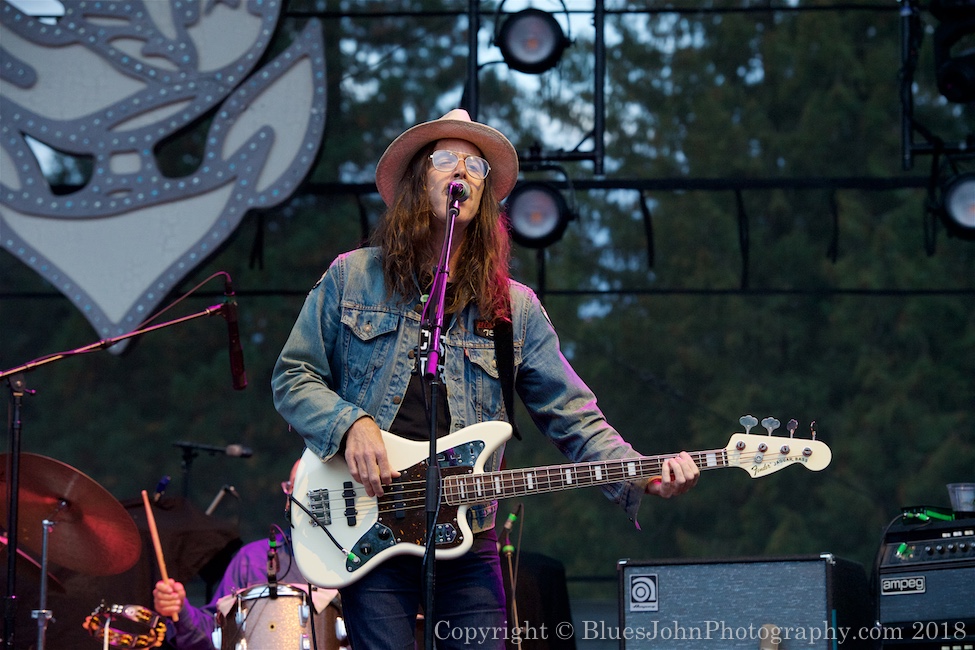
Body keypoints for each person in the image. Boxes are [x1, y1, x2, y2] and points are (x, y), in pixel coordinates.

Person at [270, 108, 700, 649]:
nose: (463, 172)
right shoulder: (352, 278)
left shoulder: (513, 309)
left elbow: (573, 416)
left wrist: (641, 472)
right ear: (416, 179)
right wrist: (350, 424)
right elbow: (293, 375)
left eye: (476, 166)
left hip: (469, 536)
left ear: (487, 194)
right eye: (445, 159)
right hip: (366, 527)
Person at [152, 460, 344, 649]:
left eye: (308, 485)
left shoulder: (356, 564)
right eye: (293, 486)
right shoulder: (252, 560)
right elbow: (215, 632)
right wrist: (180, 610)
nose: (297, 494)